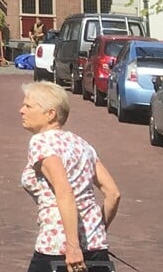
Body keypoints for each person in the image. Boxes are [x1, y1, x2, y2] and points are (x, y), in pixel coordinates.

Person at [17, 81, 121, 272]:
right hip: (95, 245)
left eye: (28, 106)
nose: (21, 110)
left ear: (50, 114)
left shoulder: (41, 142)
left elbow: (64, 190)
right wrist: (96, 228)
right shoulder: (81, 144)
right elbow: (113, 194)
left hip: (58, 246)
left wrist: (72, 247)